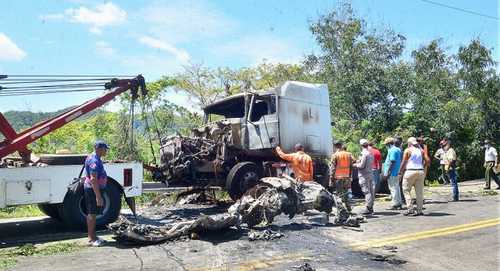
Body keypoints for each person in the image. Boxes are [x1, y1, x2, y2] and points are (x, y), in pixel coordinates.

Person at [84, 140, 109, 247]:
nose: (106, 151)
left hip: (93, 189)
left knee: (93, 213)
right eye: (105, 149)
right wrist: (98, 197)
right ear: (99, 149)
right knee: (92, 214)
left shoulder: (94, 157)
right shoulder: (94, 161)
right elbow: (93, 179)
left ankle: (94, 236)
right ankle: (91, 239)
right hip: (92, 190)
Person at [399, 137, 429, 216]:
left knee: (406, 190)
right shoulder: (421, 150)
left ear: (409, 143)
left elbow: (404, 162)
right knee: (419, 192)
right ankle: (419, 210)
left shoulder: (408, 150)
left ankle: (410, 208)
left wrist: (400, 172)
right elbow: (428, 161)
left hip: (410, 171)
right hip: (420, 171)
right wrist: (423, 166)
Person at [330, 141, 354, 212]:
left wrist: (331, 179)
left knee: (339, 195)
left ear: (335, 146)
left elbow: (332, 168)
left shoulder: (335, 155)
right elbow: (352, 165)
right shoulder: (349, 154)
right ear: (341, 145)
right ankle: (349, 209)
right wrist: (349, 176)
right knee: (346, 193)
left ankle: (341, 211)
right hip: (346, 177)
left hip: (338, 178)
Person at [354, 139, 375, 215]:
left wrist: (355, 165)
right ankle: (371, 207)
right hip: (370, 173)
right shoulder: (370, 153)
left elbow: (362, 165)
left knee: (366, 191)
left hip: (364, 175)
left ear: (361, 145)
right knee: (371, 191)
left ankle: (368, 208)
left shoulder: (364, 154)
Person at [382, 137, 403, 210]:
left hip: (392, 172)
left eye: (386, 144)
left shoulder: (392, 150)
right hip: (396, 171)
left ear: (389, 144)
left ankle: (395, 204)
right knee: (397, 188)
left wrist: (388, 172)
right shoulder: (398, 149)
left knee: (393, 188)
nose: (385, 146)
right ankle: (399, 202)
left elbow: (392, 161)